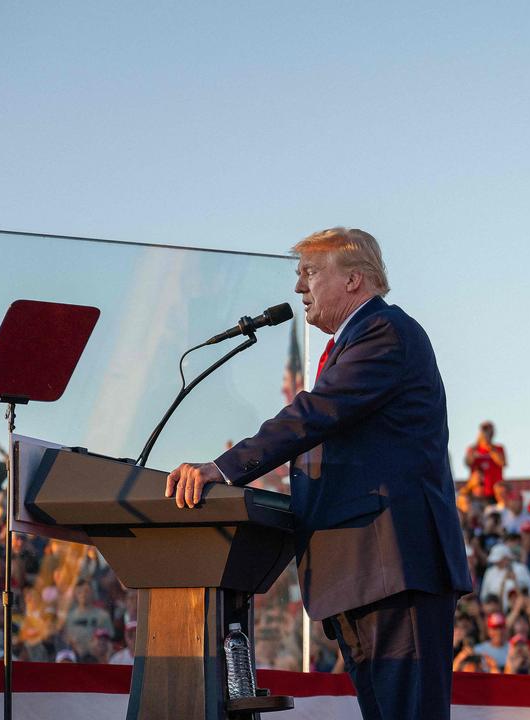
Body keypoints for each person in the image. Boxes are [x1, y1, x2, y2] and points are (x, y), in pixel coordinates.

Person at [165, 227, 472, 720]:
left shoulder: (384, 332)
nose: (298, 288)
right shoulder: (355, 342)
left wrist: (225, 469)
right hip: (362, 571)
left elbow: (314, 414)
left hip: (394, 568)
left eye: (310, 273)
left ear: (355, 279)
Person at [466, 421, 507, 500]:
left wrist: (489, 446)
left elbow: (502, 462)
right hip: (477, 492)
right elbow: (468, 462)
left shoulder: (499, 448)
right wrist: (478, 443)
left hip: (494, 493)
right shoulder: (473, 449)